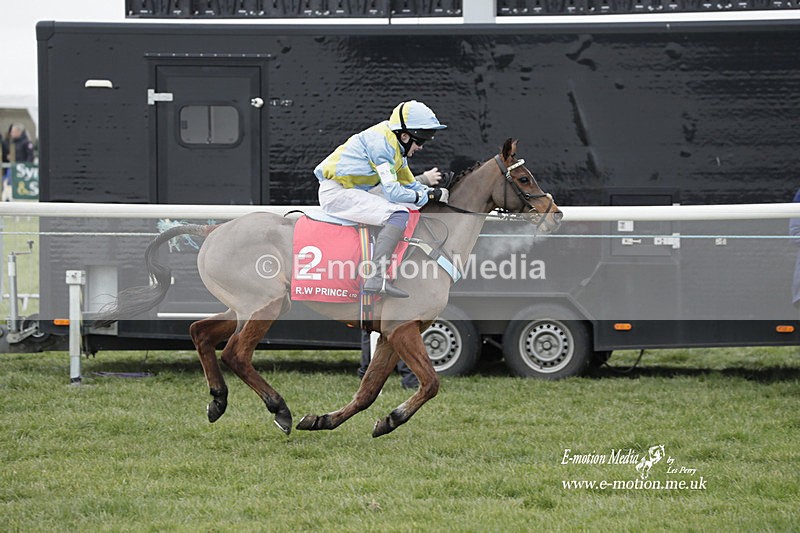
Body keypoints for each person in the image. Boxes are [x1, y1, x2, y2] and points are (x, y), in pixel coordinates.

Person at [314, 100, 449, 298]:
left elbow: (409, 185)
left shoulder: (396, 148)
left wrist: (431, 192)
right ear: (404, 136)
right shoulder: (382, 146)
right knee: (398, 213)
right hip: (336, 193)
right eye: (420, 142)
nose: (421, 147)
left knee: (408, 204)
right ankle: (376, 278)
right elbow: (394, 193)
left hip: (356, 190)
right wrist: (428, 194)